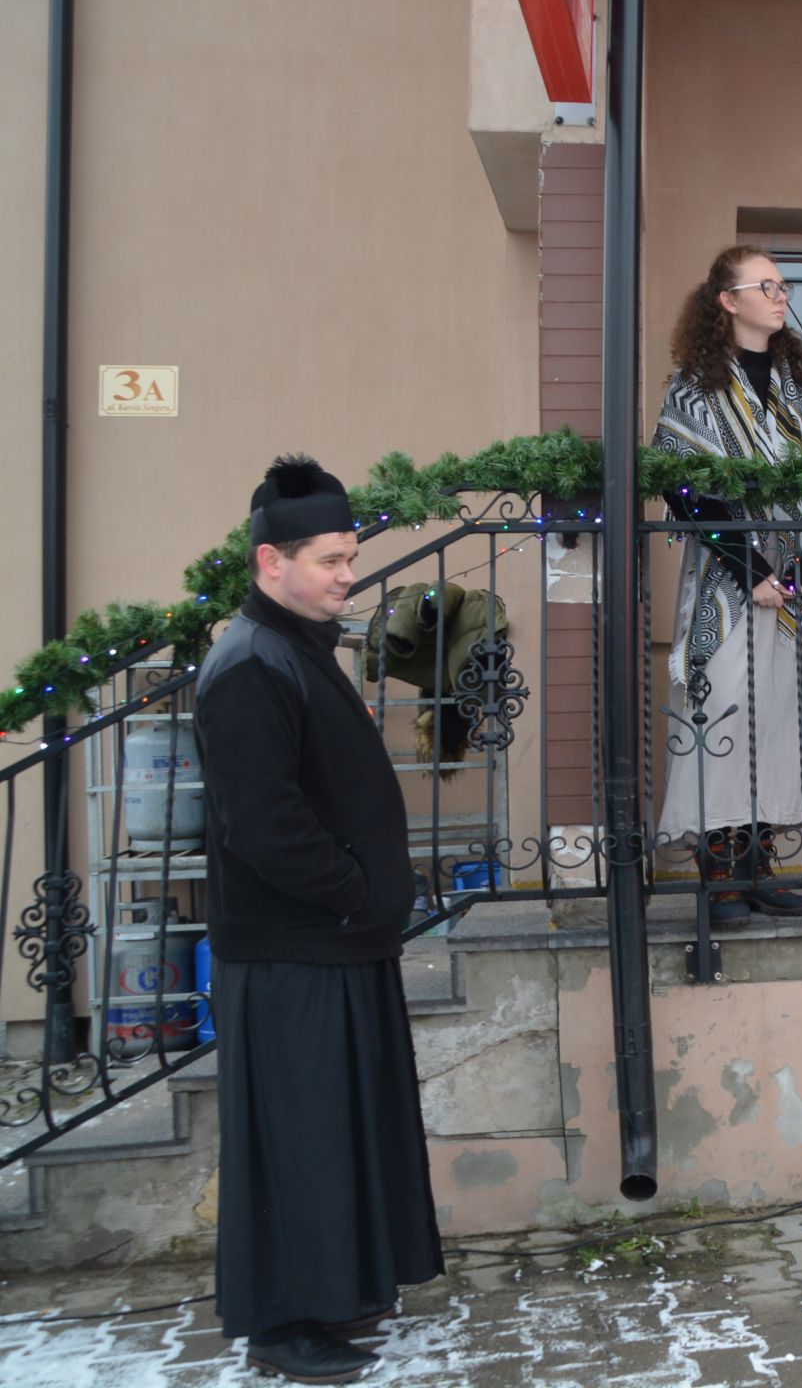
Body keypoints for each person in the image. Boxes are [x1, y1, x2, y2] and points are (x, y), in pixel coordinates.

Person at [194, 454, 442, 1383]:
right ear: (272, 562)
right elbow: (263, 823)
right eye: (331, 560)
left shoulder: (292, 646)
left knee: (337, 1136)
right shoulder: (248, 666)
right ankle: (282, 1325)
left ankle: (334, 1298)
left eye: (350, 557)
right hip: (293, 949)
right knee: (296, 1142)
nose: (349, 575)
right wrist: (353, 890)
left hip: (334, 944)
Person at [652, 245, 802, 925]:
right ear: (727, 301)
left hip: (800, 594)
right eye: (765, 285)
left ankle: (759, 863)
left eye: (782, 284)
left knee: (783, 723)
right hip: (727, 588)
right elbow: (685, 490)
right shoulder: (694, 388)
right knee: (725, 717)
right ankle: (720, 872)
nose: (780, 295)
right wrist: (754, 573)